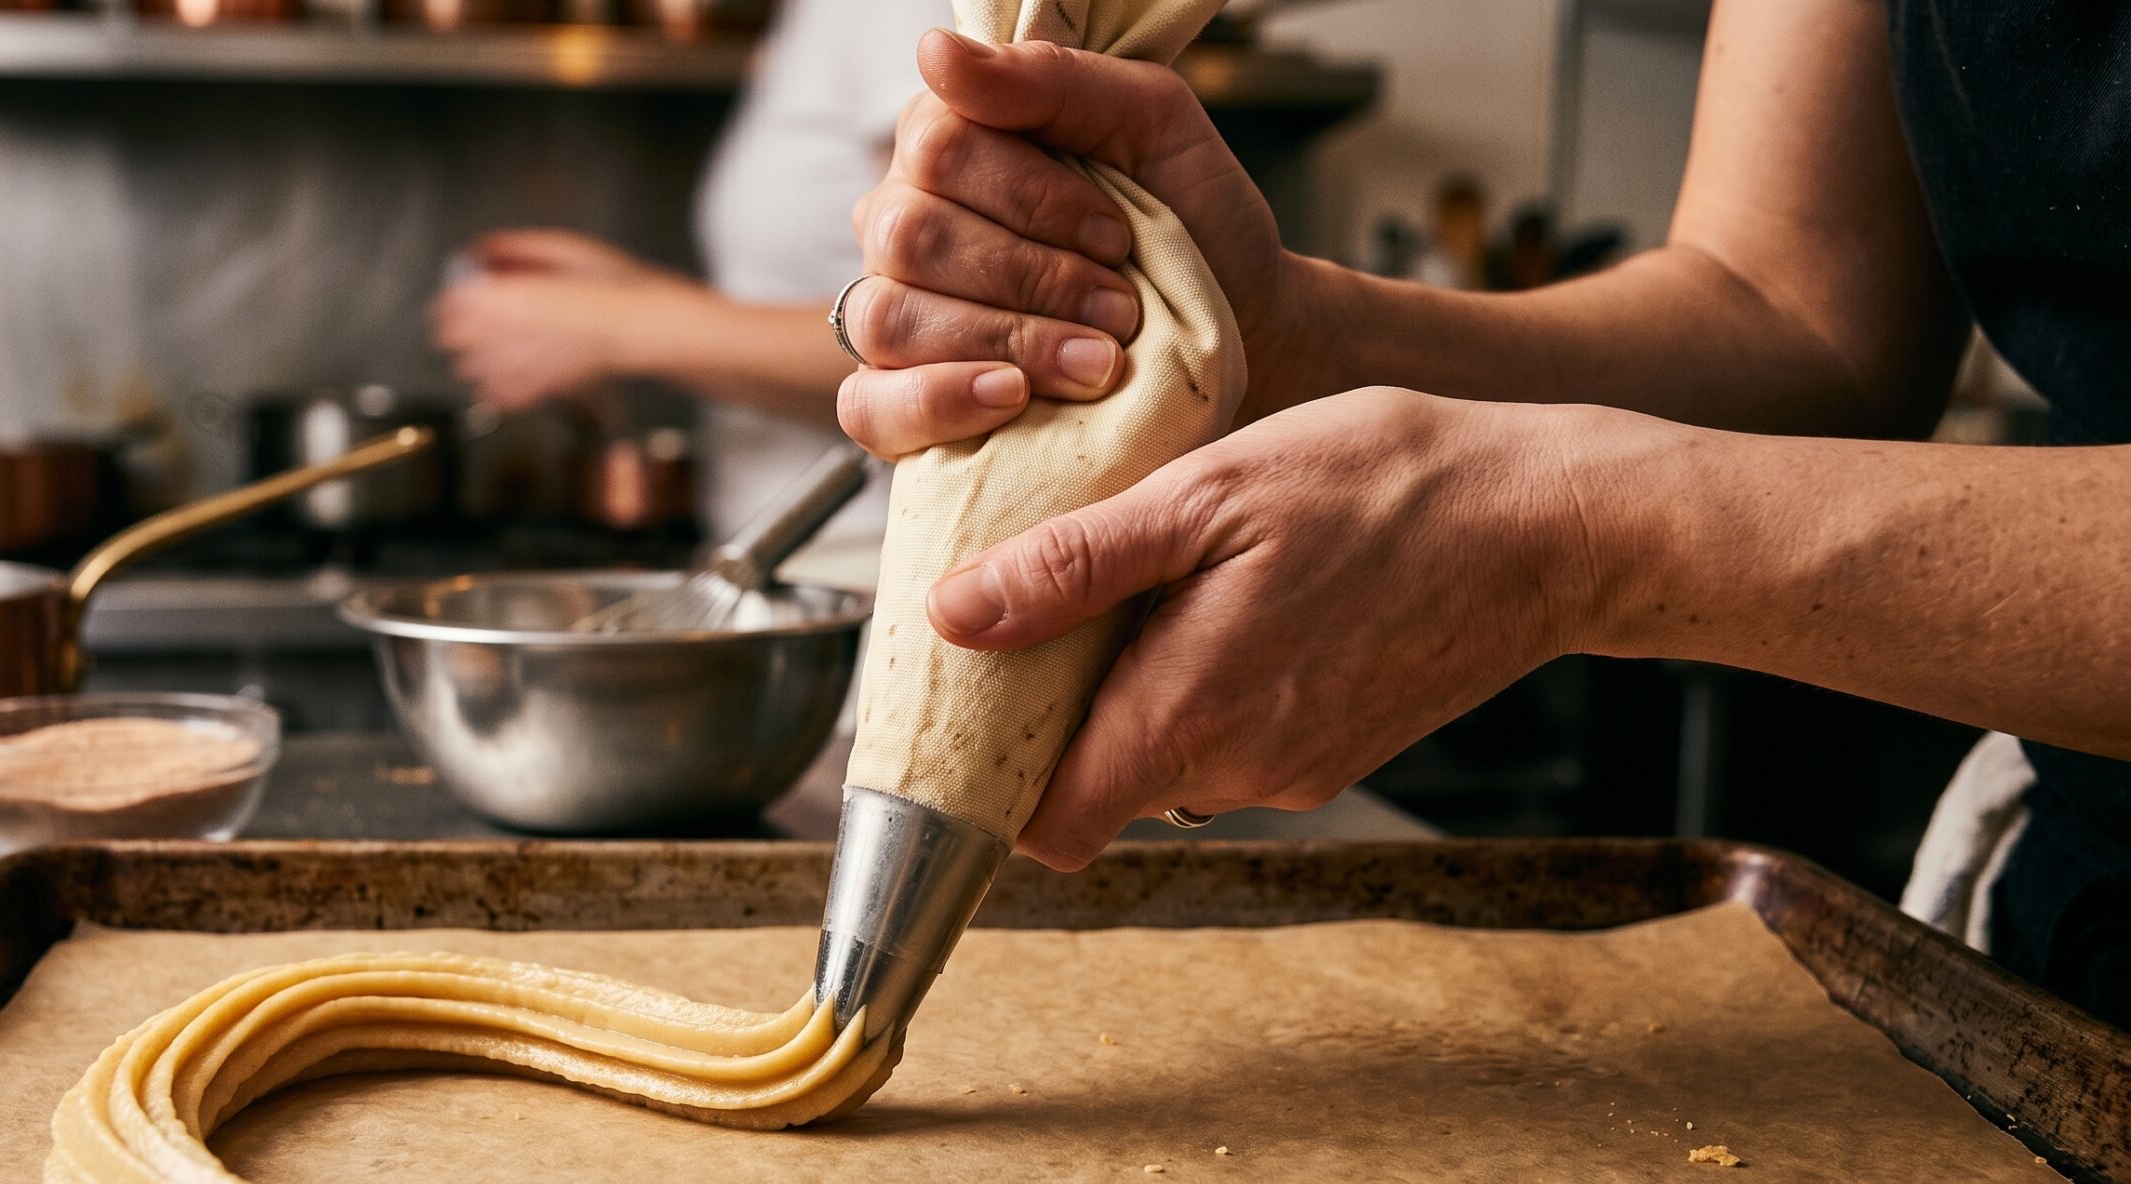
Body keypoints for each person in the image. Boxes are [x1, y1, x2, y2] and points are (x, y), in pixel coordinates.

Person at [828, 6, 2131, 1024]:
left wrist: (1577, 537)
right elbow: (1802, 323)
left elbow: (1614, 506)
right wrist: (1285, 338)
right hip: (2065, 950)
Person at [433, 0, 953, 564]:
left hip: (873, 564)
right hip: (787, 555)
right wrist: (626, 295)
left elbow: (942, 337)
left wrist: (616, 326)